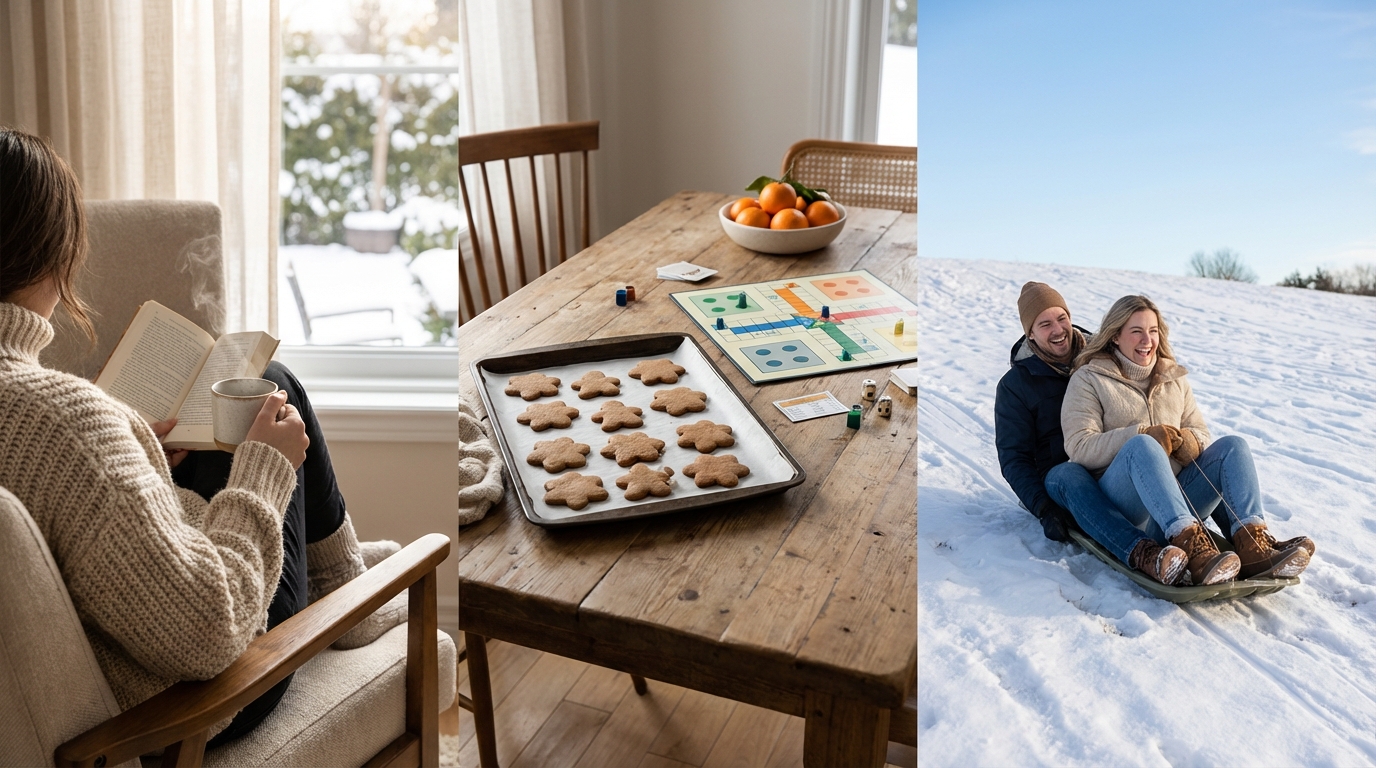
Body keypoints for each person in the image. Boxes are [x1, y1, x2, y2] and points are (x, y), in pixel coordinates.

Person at [0, 127, 402, 744]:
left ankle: (340, 575)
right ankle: (344, 587)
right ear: (51, 253)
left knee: (248, 394)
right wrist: (266, 472)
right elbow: (207, 631)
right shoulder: (65, 422)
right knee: (271, 386)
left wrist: (137, 458)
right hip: (177, 712)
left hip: (108, 640)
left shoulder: (48, 419)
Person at [1061, 294, 1314, 586]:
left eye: (1153, 331)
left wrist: (1187, 443)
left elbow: (1201, 433)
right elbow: (1079, 448)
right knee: (1143, 446)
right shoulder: (1089, 378)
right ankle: (1191, 547)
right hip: (1123, 504)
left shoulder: (1173, 377)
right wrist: (1139, 434)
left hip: (1175, 503)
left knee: (1233, 446)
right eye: (1136, 331)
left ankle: (1253, 543)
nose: (1147, 340)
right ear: (1115, 336)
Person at [995, 282, 1189, 585]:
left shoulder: (1105, 355)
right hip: (1062, 480)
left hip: (1115, 465)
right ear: (1030, 333)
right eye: (1044, 324)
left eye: (1062, 318)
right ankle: (1142, 552)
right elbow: (1013, 457)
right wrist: (1043, 508)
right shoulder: (1015, 386)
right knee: (1070, 475)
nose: (1058, 329)